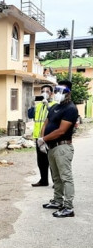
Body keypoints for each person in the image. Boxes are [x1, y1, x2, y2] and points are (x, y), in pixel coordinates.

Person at [39, 80, 78, 218]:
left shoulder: (71, 109)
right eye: (56, 91)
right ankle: (57, 200)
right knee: (56, 177)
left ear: (68, 94)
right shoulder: (55, 107)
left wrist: (44, 139)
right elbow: (46, 123)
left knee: (65, 177)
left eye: (61, 92)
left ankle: (68, 207)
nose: (57, 94)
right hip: (51, 147)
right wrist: (42, 139)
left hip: (62, 147)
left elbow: (61, 131)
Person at [30, 84, 56, 187]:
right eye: (43, 91)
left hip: (50, 137)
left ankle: (56, 182)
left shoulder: (55, 104)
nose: (45, 93)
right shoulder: (39, 105)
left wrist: (48, 106)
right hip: (39, 137)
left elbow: (54, 117)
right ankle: (43, 180)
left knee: (52, 161)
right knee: (41, 161)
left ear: (51, 93)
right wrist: (31, 104)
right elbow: (31, 116)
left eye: (47, 91)